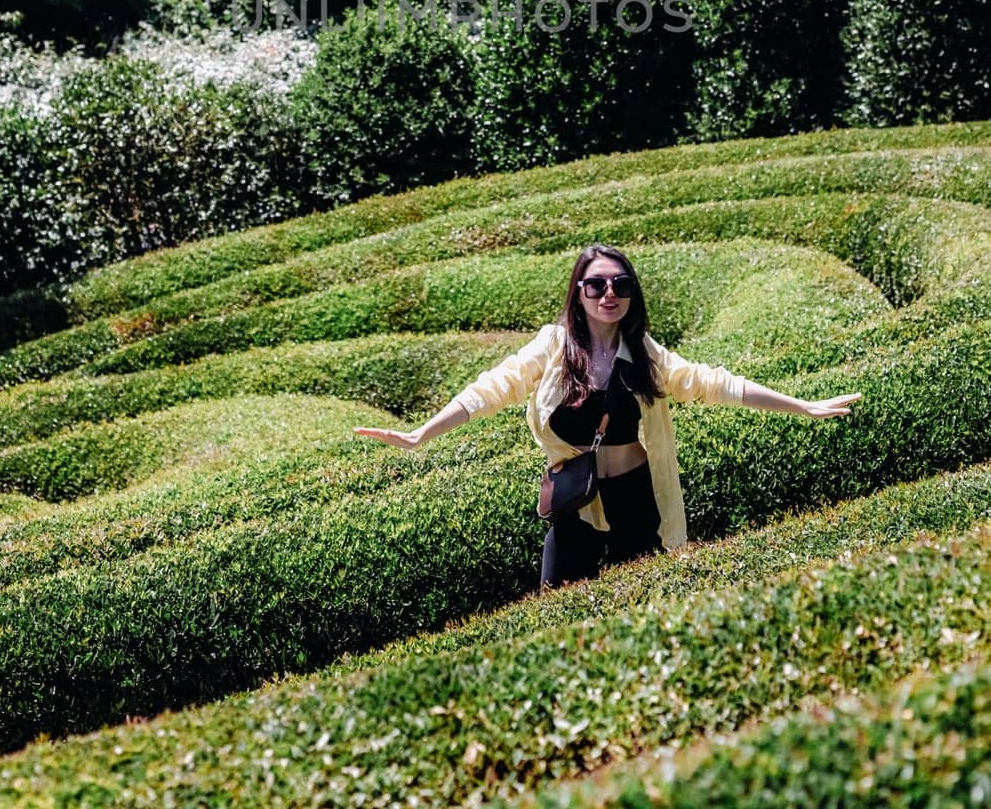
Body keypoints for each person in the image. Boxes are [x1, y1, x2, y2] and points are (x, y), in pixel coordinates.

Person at [354, 243, 861, 590]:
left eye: (620, 284)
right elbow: (493, 387)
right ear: (579, 293)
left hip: (637, 497)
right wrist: (423, 433)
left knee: (644, 599)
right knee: (556, 603)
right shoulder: (554, 346)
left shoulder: (642, 352)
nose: (609, 294)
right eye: (596, 286)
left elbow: (715, 383)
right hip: (577, 501)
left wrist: (802, 407)